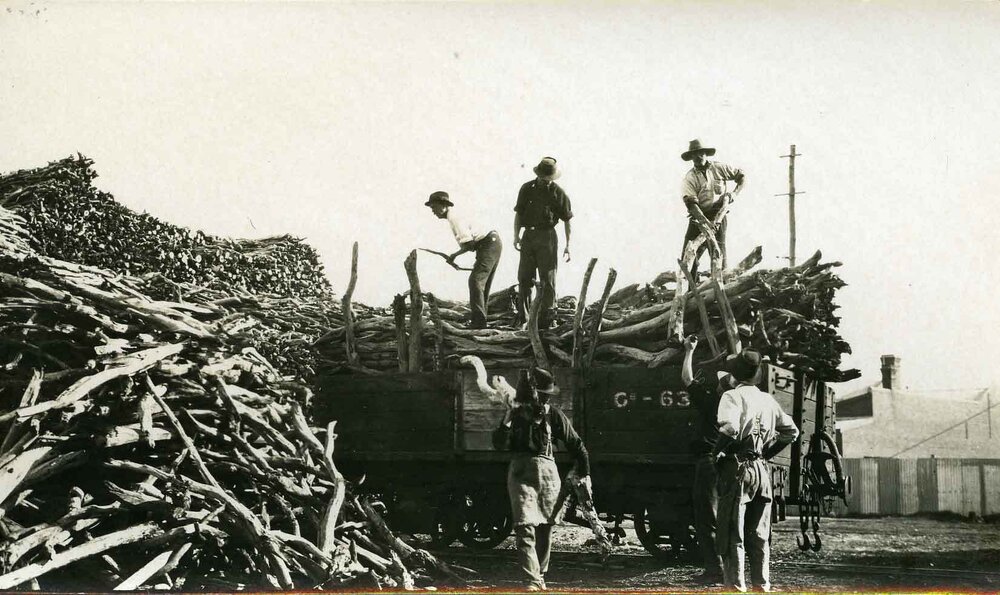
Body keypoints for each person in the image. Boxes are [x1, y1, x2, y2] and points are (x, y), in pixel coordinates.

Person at [492, 367, 590, 591]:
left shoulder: (553, 414)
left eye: (547, 396)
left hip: (547, 476)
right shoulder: (514, 412)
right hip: (521, 474)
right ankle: (532, 582)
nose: (544, 399)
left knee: (545, 526)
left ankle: (540, 575)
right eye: (542, 395)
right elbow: (499, 444)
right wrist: (507, 417)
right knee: (525, 526)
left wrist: (585, 474)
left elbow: (577, 444)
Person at [714, 350, 799, 593]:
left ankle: (736, 588)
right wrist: (767, 455)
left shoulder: (732, 396)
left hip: (739, 467)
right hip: (762, 470)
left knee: (733, 531)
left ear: (734, 375)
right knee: (760, 534)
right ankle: (762, 586)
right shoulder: (768, 400)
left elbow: (730, 428)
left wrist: (715, 454)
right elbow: (791, 432)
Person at [680, 335, 733, 585]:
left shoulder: (712, 400)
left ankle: (714, 570)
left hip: (708, 461)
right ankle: (727, 567)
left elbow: (687, 379)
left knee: (706, 517)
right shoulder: (735, 404)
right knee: (725, 516)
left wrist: (689, 351)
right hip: (729, 463)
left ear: (722, 387)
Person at [425, 191, 503, 329]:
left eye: (434, 207)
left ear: (443, 205)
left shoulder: (454, 217)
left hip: (488, 244)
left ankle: (479, 323)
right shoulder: (453, 216)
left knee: (475, 281)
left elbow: (469, 244)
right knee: (481, 283)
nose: (433, 211)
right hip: (492, 243)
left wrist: (453, 256)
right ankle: (480, 320)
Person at [513, 157, 573, 329]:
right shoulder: (526, 189)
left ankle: (548, 319)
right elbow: (519, 213)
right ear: (538, 174)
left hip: (547, 237)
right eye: (544, 177)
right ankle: (523, 319)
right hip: (528, 236)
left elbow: (567, 220)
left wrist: (568, 245)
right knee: (524, 278)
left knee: (548, 278)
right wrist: (516, 235)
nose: (546, 181)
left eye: (549, 178)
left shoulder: (558, 193)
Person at [680, 139, 746, 280]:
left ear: (706, 154)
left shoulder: (719, 168)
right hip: (698, 218)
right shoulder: (689, 178)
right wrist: (705, 223)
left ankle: (721, 286)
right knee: (688, 256)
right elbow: (692, 205)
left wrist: (734, 193)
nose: (698, 157)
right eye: (694, 154)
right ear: (691, 157)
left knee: (718, 255)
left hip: (718, 217)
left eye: (701, 153)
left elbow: (741, 177)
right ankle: (689, 290)